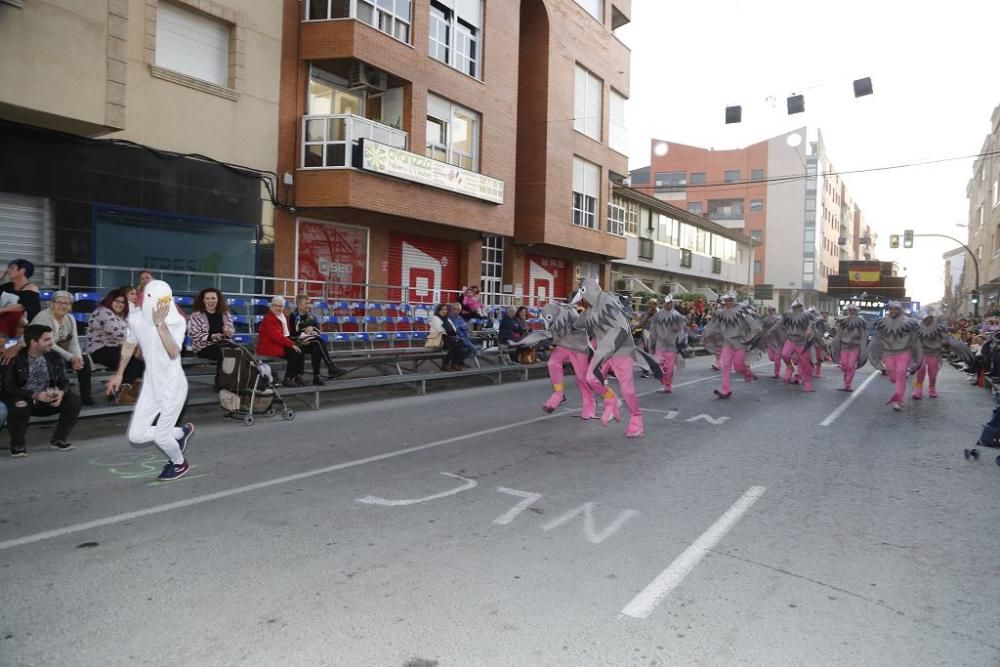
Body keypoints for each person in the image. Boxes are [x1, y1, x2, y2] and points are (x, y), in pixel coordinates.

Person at [106, 280, 195, 481]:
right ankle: (179, 433)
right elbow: (129, 344)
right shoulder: (136, 318)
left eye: (165, 301)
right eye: (157, 301)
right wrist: (119, 373)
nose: (161, 307)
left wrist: (160, 325)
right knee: (136, 436)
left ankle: (179, 463)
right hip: (151, 386)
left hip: (173, 386)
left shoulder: (177, 321)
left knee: (162, 438)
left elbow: (173, 352)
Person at [1, 324, 82, 457]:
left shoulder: (54, 356)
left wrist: (60, 393)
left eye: (51, 339)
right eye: (47, 340)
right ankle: (17, 445)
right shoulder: (14, 358)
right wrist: (35, 395)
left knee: (74, 400)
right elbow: (8, 388)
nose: (52, 343)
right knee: (20, 404)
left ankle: (59, 439)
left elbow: (64, 382)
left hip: (47, 398)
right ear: (34, 342)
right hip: (24, 399)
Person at [30, 290, 94, 405]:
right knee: (57, 359)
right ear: (52, 304)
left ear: (70, 306)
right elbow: (49, 344)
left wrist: (77, 359)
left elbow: (73, 341)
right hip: (39, 352)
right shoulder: (44, 317)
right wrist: (71, 358)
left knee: (84, 359)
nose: (63, 306)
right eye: (59, 302)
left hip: (57, 351)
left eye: (67, 303)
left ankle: (86, 396)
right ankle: (64, 396)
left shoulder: (70, 318)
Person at [701, 292, 760, 399]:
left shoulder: (742, 312)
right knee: (725, 366)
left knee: (738, 368)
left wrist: (751, 337)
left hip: (740, 344)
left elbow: (753, 325)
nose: (727, 302)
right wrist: (706, 333)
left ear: (734, 300)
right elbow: (713, 325)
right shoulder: (722, 313)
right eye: (726, 300)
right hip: (727, 344)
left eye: (730, 300)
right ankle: (725, 389)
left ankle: (746, 370)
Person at [87, 289, 145, 393]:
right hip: (100, 350)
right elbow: (119, 334)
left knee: (140, 363)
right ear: (110, 300)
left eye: (123, 302)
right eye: (117, 301)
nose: (120, 304)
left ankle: (120, 389)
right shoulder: (102, 311)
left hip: (117, 348)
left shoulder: (121, 315)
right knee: (133, 362)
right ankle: (122, 389)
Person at [871, 300, 921, 411]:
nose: (893, 311)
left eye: (896, 309)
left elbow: (915, 340)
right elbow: (877, 340)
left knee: (901, 373)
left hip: (904, 352)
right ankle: (899, 386)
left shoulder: (909, 323)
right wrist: (873, 354)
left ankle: (899, 400)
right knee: (894, 378)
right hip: (888, 353)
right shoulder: (882, 323)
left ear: (900, 310)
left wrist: (917, 357)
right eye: (891, 309)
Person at [288, 294, 346, 382]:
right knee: (318, 341)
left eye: (308, 303)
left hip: (309, 342)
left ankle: (316, 376)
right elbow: (292, 334)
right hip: (298, 343)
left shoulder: (310, 316)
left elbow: (318, 330)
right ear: (299, 305)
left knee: (317, 346)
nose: (308, 305)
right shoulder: (293, 316)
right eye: (305, 303)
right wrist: (305, 331)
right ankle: (330, 366)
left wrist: (313, 331)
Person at [257, 296, 306, 387]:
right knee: (294, 352)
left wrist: (296, 342)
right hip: (270, 346)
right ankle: (288, 378)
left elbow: (286, 335)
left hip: (279, 344)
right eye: (276, 306)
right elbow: (276, 337)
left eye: (281, 306)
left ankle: (298, 376)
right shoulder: (269, 319)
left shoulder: (282, 317)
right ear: (271, 306)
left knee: (300, 348)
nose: (279, 308)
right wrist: (292, 345)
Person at [648, 295, 688, 393]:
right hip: (659, 345)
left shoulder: (677, 316)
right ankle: (665, 381)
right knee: (659, 364)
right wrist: (651, 343)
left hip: (672, 346)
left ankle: (668, 386)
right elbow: (653, 330)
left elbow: (682, 330)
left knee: (669, 368)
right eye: (665, 302)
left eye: (669, 303)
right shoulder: (657, 316)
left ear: (672, 303)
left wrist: (681, 345)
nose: (667, 304)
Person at [0, 259, 41, 351]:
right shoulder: (7, 286)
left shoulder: (31, 289)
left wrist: (2, 310)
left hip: (21, 336)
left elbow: (20, 307)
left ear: (22, 271)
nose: (7, 271)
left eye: (12, 268)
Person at [778, 298, 815, 392]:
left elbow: (813, 323)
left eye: (799, 307)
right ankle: (790, 368)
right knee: (785, 355)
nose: (797, 309)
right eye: (795, 307)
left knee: (805, 364)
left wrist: (809, 329)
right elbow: (779, 323)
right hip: (790, 340)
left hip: (802, 342)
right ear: (793, 307)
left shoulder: (807, 315)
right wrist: (770, 330)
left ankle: (808, 382)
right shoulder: (787, 314)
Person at [831, 304, 867, 392]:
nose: (852, 313)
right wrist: (835, 345)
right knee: (844, 365)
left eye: (854, 311)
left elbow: (863, 337)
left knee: (850, 366)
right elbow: (838, 335)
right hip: (844, 347)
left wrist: (863, 350)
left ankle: (848, 384)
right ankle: (846, 378)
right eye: (850, 311)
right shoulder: (844, 322)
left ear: (857, 312)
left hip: (855, 347)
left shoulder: (860, 322)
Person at [914, 309, 948, 399]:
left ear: (932, 318)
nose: (928, 319)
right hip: (922, 352)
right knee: (920, 370)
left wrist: (944, 341)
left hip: (934, 352)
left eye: (930, 318)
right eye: (926, 318)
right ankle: (918, 389)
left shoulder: (939, 327)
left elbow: (946, 338)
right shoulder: (917, 326)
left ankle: (932, 388)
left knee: (933, 374)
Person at [428, 303, 469, 371]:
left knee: (459, 343)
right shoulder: (435, 318)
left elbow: (453, 329)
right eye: (442, 310)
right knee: (455, 344)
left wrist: (453, 334)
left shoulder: (447, 318)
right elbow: (441, 330)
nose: (444, 311)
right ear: (438, 311)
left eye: (446, 309)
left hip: (447, 339)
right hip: (437, 339)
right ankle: (448, 364)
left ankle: (454, 363)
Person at [760, 307, 782, 378]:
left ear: (775, 311)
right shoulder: (765, 320)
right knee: (771, 358)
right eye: (769, 310)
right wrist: (764, 334)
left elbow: (781, 328)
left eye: (773, 310)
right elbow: (762, 329)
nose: (771, 311)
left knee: (777, 359)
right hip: (769, 341)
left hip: (777, 341)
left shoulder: (778, 319)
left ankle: (776, 373)